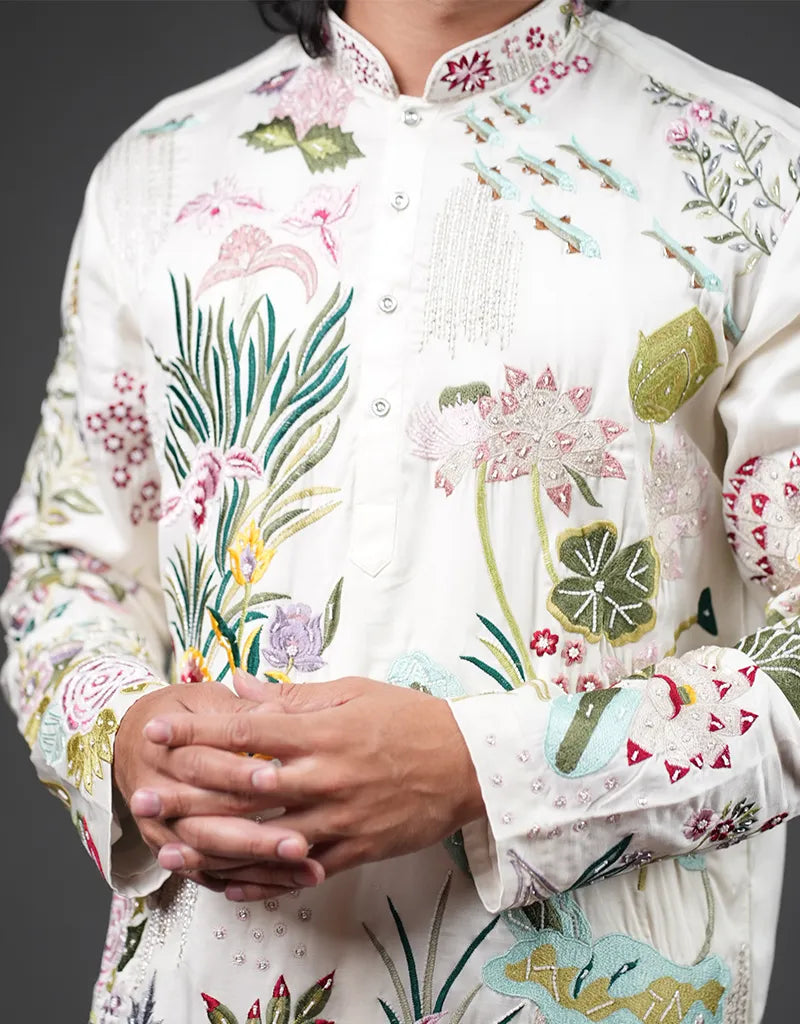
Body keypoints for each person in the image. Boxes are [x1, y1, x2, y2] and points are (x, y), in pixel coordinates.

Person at [3, 0, 800, 1020]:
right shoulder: (160, 168)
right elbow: (67, 573)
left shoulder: (752, 174)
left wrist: (486, 770)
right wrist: (124, 735)